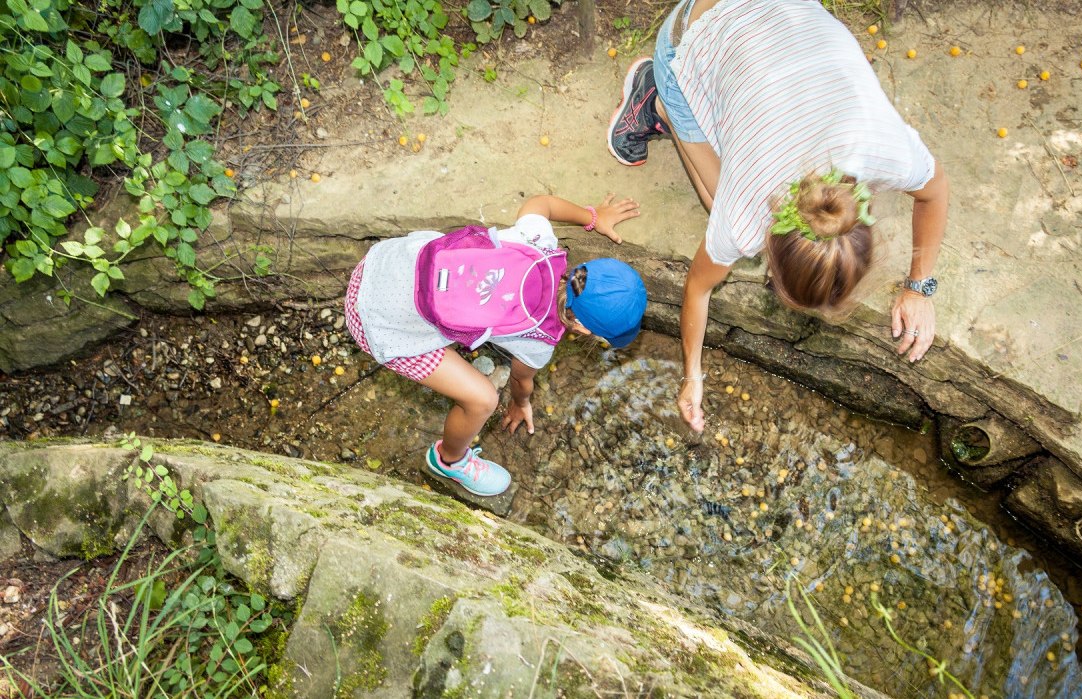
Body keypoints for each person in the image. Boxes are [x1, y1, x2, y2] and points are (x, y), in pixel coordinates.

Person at [606, 0, 950, 433]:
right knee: (716, 201)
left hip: (776, 25)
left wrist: (920, 287)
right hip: (687, 36)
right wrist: (690, 374)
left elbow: (935, 192)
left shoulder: (886, 151)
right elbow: (697, 288)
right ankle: (656, 99)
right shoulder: (743, 216)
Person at [344, 194, 648, 496]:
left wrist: (592, 217)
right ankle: (449, 461)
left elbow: (540, 203)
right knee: (483, 400)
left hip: (383, 263)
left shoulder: (538, 240)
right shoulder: (539, 338)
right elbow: (520, 379)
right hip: (378, 324)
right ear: (581, 328)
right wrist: (520, 403)